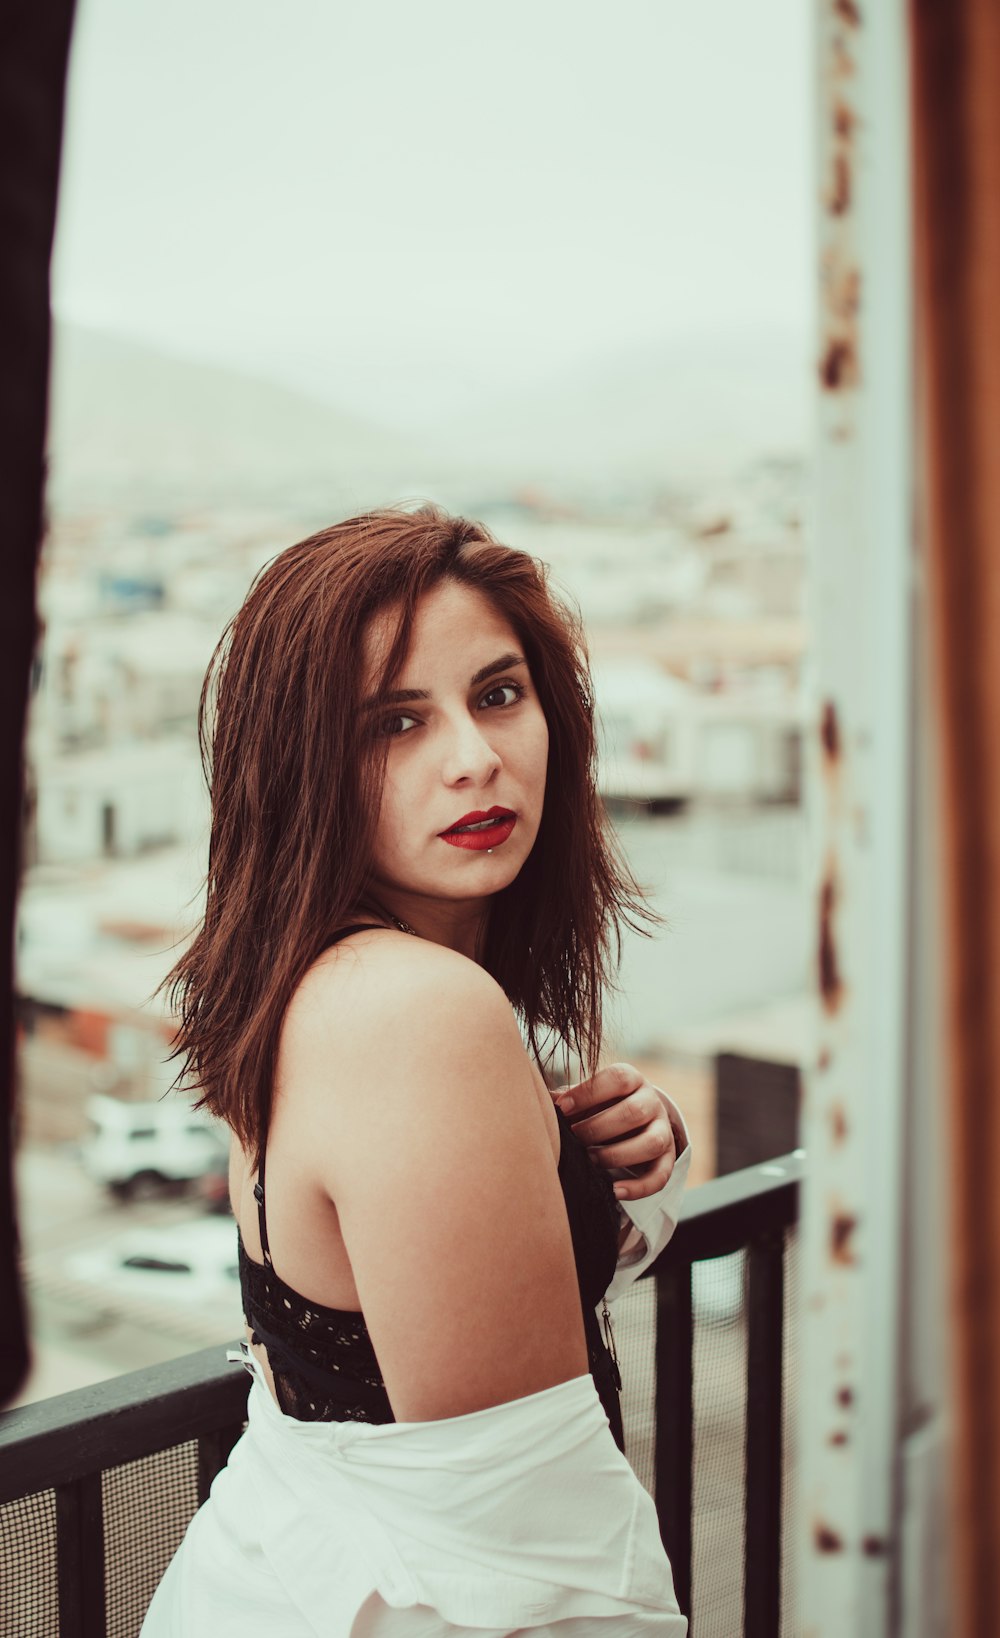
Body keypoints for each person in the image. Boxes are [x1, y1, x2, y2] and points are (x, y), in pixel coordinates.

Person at [141, 505, 692, 1637]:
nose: (474, 757)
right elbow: (540, 1555)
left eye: (497, 694)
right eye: (395, 722)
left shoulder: (319, 984)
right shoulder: (415, 1010)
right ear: (299, 765)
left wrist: (608, 1162)